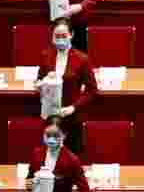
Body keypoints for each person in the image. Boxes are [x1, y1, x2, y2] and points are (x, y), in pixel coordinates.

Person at [36, 18, 98, 155]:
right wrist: (40, 85)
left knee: (70, 160)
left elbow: (92, 90)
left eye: (64, 36)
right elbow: (39, 80)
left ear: (71, 35)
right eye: (56, 36)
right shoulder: (45, 55)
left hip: (71, 118)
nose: (60, 40)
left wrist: (73, 107)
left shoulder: (82, 59)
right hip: (49, 117)